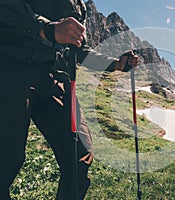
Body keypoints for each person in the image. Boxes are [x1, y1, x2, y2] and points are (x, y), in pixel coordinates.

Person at [0, 0, 138, 199]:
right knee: (6, 157)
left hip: (57, 78)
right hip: (13, 67)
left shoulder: (79, 4)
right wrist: (46, 29)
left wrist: (115, 64)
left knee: (79, 153)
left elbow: (80, 48)